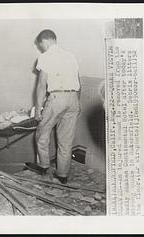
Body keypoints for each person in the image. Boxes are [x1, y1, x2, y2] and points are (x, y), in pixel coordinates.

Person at [26, 29, 81, 184]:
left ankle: (43, 166)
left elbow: (41, 85)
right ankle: (62, 175)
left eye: (41, 45)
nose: (41, 48)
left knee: (42, 133)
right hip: (73, 98)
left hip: (57, 97)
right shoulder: (71, 56)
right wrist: (78, 102)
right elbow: (79, 81)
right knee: (66, 139)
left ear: (45, 41)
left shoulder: (45, 56)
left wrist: (38, 110)